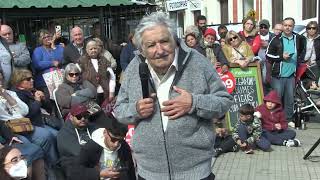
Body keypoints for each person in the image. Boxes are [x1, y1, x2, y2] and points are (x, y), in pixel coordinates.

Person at [114, 12, 233, 180]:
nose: (159, 50)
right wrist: (136, 110)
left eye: (164, 41)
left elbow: (224, 101)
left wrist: (194, 102)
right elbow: (119, 110)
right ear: (142, 49)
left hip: (195, 172)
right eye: (151, 45)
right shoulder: (134, 67)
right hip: (149, 173)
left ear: (174, 40)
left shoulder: (197, 62)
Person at [10, 68, 59, 167]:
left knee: (58, 134)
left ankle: (59, 160)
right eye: (28, 79)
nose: (32, 80)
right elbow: (26, 114)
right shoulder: (17, 95)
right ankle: (53, 164)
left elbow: (49, 108)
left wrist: (44, 99)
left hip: (41, 121)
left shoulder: (32, 90)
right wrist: (37, 101)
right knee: (49, 136)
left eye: (32, 78)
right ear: (19, 82)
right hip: (30, 126)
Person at [266, 17, 306, 123]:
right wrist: (281, 56)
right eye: (286, 25)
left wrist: (299, 60)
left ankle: (288, 120)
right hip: (278, 75)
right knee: (277, 99)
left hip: (291, 75)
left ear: (293, 26)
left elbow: (302, 50)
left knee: (289, 99)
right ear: (282, 26)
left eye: (290, 25)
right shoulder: (276, 39)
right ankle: (275, 120)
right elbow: (268, 55)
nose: (287, 27)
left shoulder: (298, 38)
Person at [75, 113, 135, 180]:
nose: (116, 144)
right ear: (105, 132)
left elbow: (130, 170)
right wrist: (99, 174)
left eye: (120, 140)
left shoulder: (123, 146)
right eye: (113, 139)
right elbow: (77, 172)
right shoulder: (91, 147)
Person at [57, 103, 96, 179]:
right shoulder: (64, 134)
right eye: (79, 116)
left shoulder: (92, 126)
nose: (83, 119)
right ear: (71, 117)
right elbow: (79, 153)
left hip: (92, 161)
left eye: (85, 115)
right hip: (73, 164)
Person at [80, 40, 116, 105]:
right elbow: (74, 73)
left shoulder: (104, 60)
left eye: (95, 48)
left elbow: (112, 77)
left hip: (105, 94)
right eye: (91, 49)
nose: (93, 50)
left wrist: (111, 93)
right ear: (87, 50)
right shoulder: (82, 61)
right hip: (90, 97)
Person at [31, 29, 64, 98]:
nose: (47, 39)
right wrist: (52, 63)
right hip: (44, 82)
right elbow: (37, 64)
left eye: (48, 36)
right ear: (41, 40)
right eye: (44, 37)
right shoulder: (38, 50)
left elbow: (62, 59)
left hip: (60, 79)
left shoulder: (59, 47)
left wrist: (54, 47)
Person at [257, 19, 275, 94]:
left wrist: (269, 45)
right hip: (258, 64)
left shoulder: (273, 36)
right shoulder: (256, 36)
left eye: (265, 27)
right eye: (261, 27)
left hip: (270, 64)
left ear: (269, 27)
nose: (263, 29)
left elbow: (279, 47)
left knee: (268, 83)